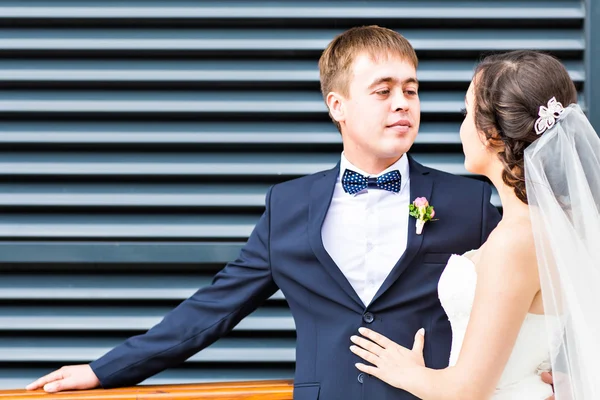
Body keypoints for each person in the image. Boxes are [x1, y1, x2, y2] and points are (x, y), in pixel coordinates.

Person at [26, 27, 550, 400]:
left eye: (411, 90)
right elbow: (212, 309)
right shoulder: (288, 207)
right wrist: (104, 370)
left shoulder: (470, 204)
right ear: (337, 105)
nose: (403, 104)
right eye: (383, 91)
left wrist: (553, 370)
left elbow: (540, 296)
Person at [350, 50, 597, 399]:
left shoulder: (517, 240)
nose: (462, 126)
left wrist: (403, 372)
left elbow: (467, 391)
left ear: (493, 134)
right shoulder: (549, 227)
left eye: (467, 113)